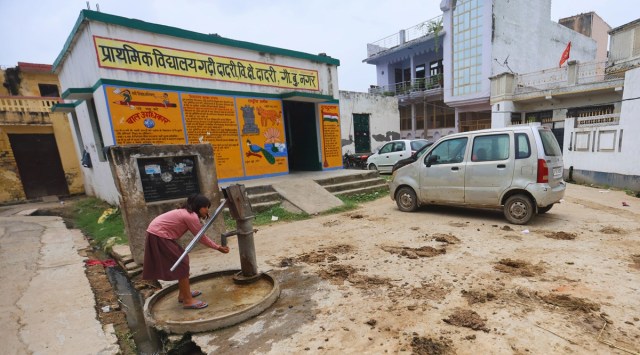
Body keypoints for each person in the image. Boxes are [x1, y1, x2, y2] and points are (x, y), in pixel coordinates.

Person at [142, 193, 229, 309]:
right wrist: (217, 247)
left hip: (157, 233)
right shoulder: (190, 216)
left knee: (182, 262)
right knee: (182, 263)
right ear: (198, 206)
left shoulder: (186, 212)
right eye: (206, 207)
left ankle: (183, 294)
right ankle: (188, 300)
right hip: (159, 235)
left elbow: (199, 231)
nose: (207, 210)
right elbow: (200, 237)